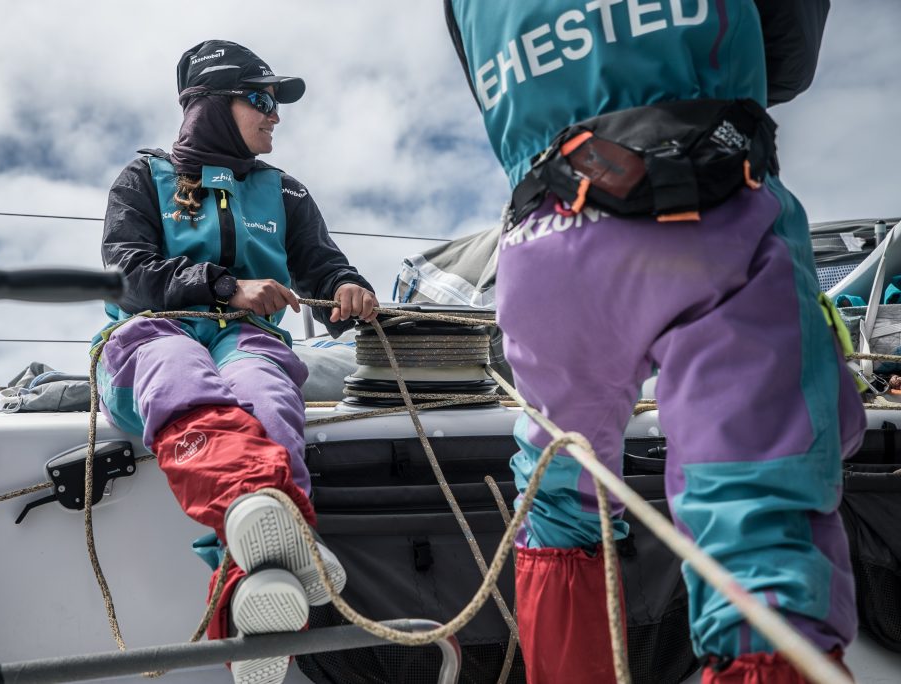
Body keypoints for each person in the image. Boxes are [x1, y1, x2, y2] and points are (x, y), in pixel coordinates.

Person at [443, 2, 864, 682]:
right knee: (754, 503)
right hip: (706, 203)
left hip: (542, 242)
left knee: (559, 499)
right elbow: (788, 55)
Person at [94, 39, 377, 684]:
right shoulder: (144, 178)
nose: (275, 115)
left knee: (266, 391)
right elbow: (126, 272)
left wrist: (346, 289)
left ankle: (254, 579)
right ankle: (281, 546)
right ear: (212, 107)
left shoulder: (287, 192)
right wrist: (224, 286)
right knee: (179, 373)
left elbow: (323, 265)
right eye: (262, 99)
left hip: (246, 336)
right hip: (153, 330)